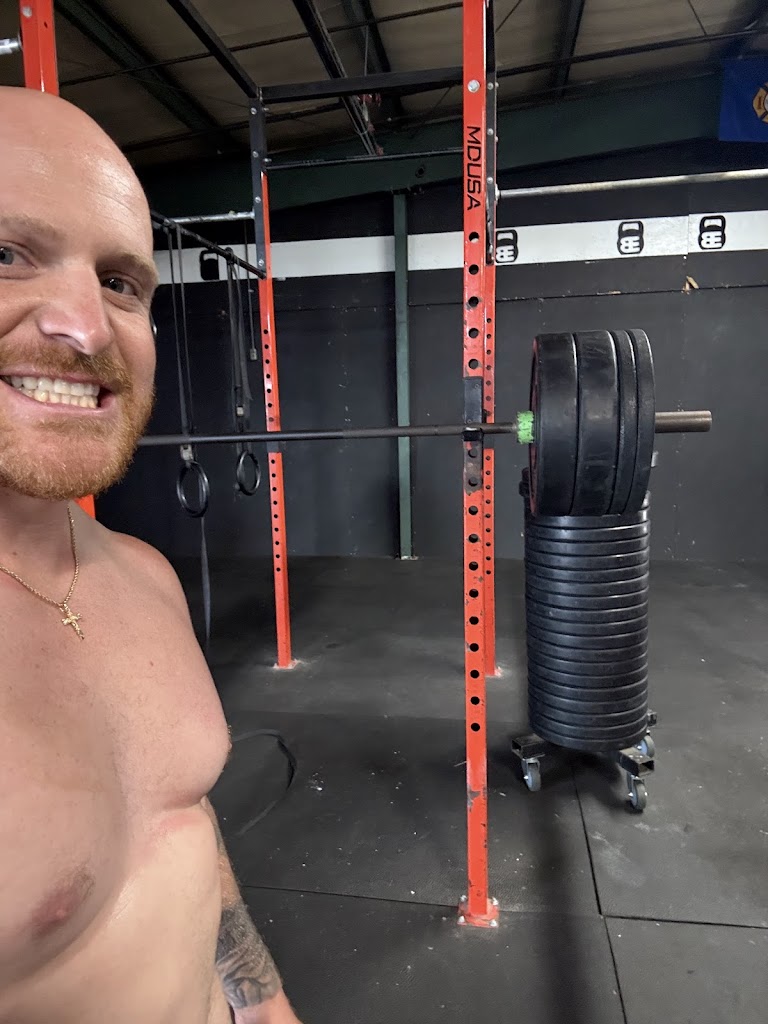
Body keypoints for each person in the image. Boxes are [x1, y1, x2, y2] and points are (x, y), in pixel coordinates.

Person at [0, 86, 302, 1024]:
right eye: (6, 255)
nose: (88, 327)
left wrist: (266, 1007)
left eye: (122, 283)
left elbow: (183, 833)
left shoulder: (144, 577)